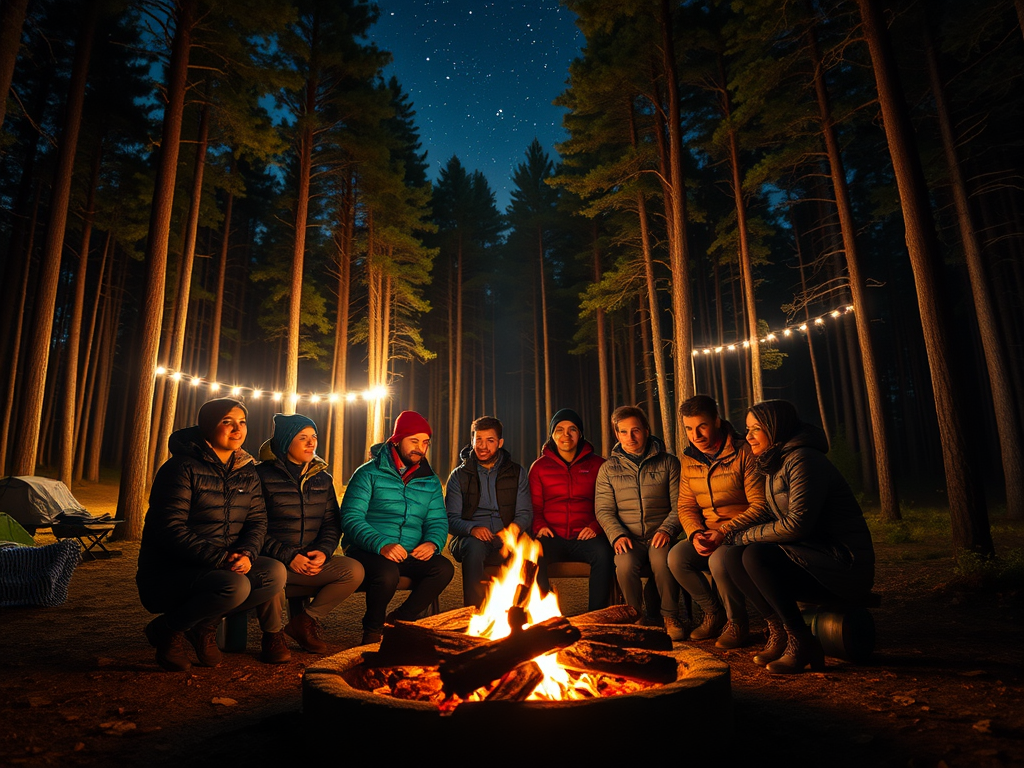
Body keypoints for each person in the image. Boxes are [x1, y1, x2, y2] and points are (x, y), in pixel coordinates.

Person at [709, 400, 875, 674]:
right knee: (733, 556)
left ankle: (801, 639)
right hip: (813, 557)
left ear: (775, 429)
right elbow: (770, 515)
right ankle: (780, 632)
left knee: (754, 553)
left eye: (756, 429)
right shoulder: (776, 462)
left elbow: (798, 524)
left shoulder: (803, 460)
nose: (747, 437)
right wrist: (728, 533)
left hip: (843, 564)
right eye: (747, 429)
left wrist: (745, 536)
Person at [136, 398, 287, 672]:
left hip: (223, 563)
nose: (236, 429)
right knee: (235, 586)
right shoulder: (181, 469)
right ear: (207, 427)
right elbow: (169, 528)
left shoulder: (246, 471)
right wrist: (221, 558)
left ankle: (204, 625)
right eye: (227, 422)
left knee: (274, 572)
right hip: (174, 570)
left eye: (242, 422)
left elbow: (257, 520)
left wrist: (248, 554)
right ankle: (168, 630)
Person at [340, 410, 454, 645]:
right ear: (397, 440)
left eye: (425, 443)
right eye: (414, 441)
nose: (420, 448)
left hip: (409, 551)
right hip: (368, 550)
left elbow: (437, 520)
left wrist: (432, 543)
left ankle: (400, 621)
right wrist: (382, 544)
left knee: (443, 568)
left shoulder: (430, 480)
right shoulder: (368, 473)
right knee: (387, 573)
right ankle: (372, 631)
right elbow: (351, 518)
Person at [255, 414, 364, 655]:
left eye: (313, 437)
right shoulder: (259, 476)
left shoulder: (322, 479)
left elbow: (331, 523)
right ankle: (272, 637)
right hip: (273, 561)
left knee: (353, 570)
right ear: (285, 442)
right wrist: (288, 556)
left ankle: (304, 623)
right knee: (273, 572)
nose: (311, 443)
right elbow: (253, 527)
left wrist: (323, 552)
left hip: (309, 563)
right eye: (302, 437)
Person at [668, 395, 764, 647]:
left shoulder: (744, 453)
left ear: (717, 421)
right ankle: (713, 612)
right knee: (677, 557)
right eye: (689, 428)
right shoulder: (689, 460)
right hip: (709, 532)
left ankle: (738, 622)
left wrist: (724, 531)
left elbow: (760, 505)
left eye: (702, 426)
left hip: (742, 532)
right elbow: (686, 505)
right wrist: (694, 533)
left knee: (719, 560)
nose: (695, 434)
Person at [595, 405, 685, 639]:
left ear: (646, 430)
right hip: (629, 538)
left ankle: (669, 616)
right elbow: (604, 510)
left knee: (662, 561)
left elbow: (680, 505)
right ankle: (635, 617)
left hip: (660, 534)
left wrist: (667, 528)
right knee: (624, 566)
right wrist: (617, 534)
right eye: (623, 432)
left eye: (635, 430)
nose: (630, 437)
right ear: (617, 434)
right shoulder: (608, 469)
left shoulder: (669, 463)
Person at [529, 407, 613, 611]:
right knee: (533, 553)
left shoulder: (599, 465)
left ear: (580, 433)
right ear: (552, 435)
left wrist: (595, 527)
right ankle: (544, 614)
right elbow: (534, 506)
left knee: (604, 554)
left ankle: (596, 615)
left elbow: (608, 504)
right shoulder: (539, 467)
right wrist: (539, 525)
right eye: (559, 429)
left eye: (572, 429)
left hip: (586, 535)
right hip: (552, 535)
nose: (566, 435)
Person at [446, 416, 532, 608]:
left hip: (507, 534)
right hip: (469, 538)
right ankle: (474, 612)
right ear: (472, 441)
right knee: (474, 547)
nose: (483, 446)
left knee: (530, 546)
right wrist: (472, 529)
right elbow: (451, 519)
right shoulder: (459, 476)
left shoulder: (517, 472)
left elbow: (525, 512)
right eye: (479, 440)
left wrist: (513, 530)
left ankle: (522, 614)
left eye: (490, 440)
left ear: (500, 443)